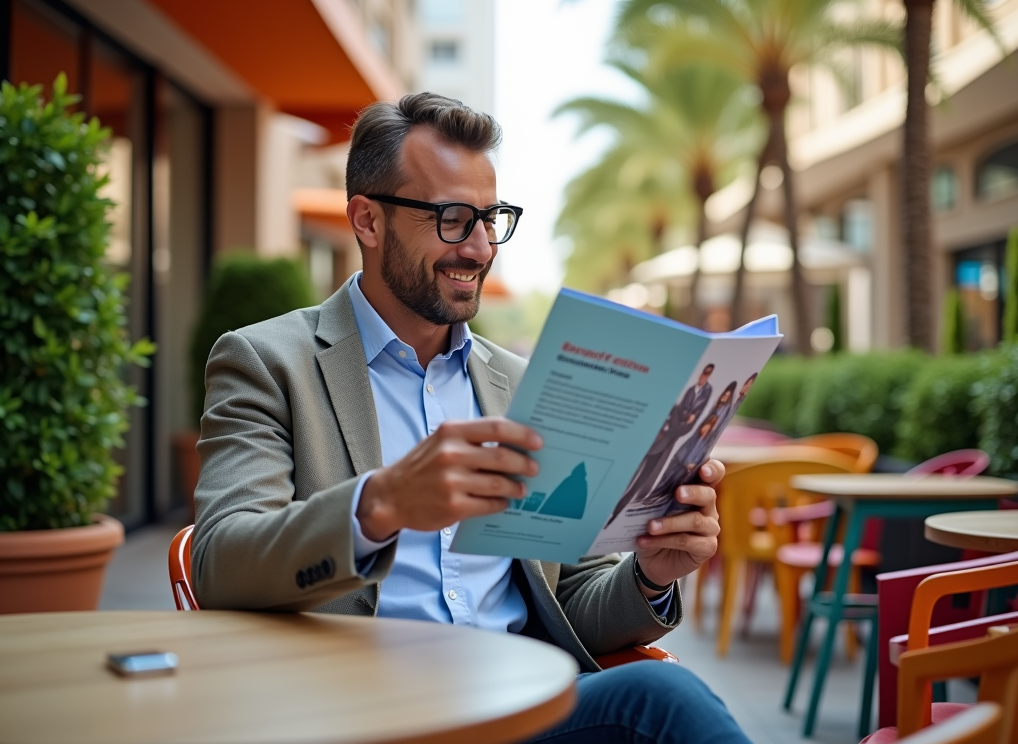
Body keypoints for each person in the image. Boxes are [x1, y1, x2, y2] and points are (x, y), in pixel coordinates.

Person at [192, 93, 751, 744]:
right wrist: (382, 504)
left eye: (492, 219)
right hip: (363, 717)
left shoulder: (517, 384)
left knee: (659, 696)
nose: (481, 248)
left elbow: (564, 602)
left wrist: (653, 572)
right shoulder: (266, 363)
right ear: (368, 221)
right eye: (454, 219)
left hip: (520, 712)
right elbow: (220, 563)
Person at [603, 364, 715, 528]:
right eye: (703, 373)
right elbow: (677, 415)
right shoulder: (686, 392)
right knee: (626, 478)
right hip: (645, 441)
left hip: (662, 443)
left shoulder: (701, 393)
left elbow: (687, 423)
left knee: (639, 481)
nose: (702, 377)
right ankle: (609, 512)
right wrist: (681, 418)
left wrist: (678, 423)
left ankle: (614, 515)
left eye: (706, 374)